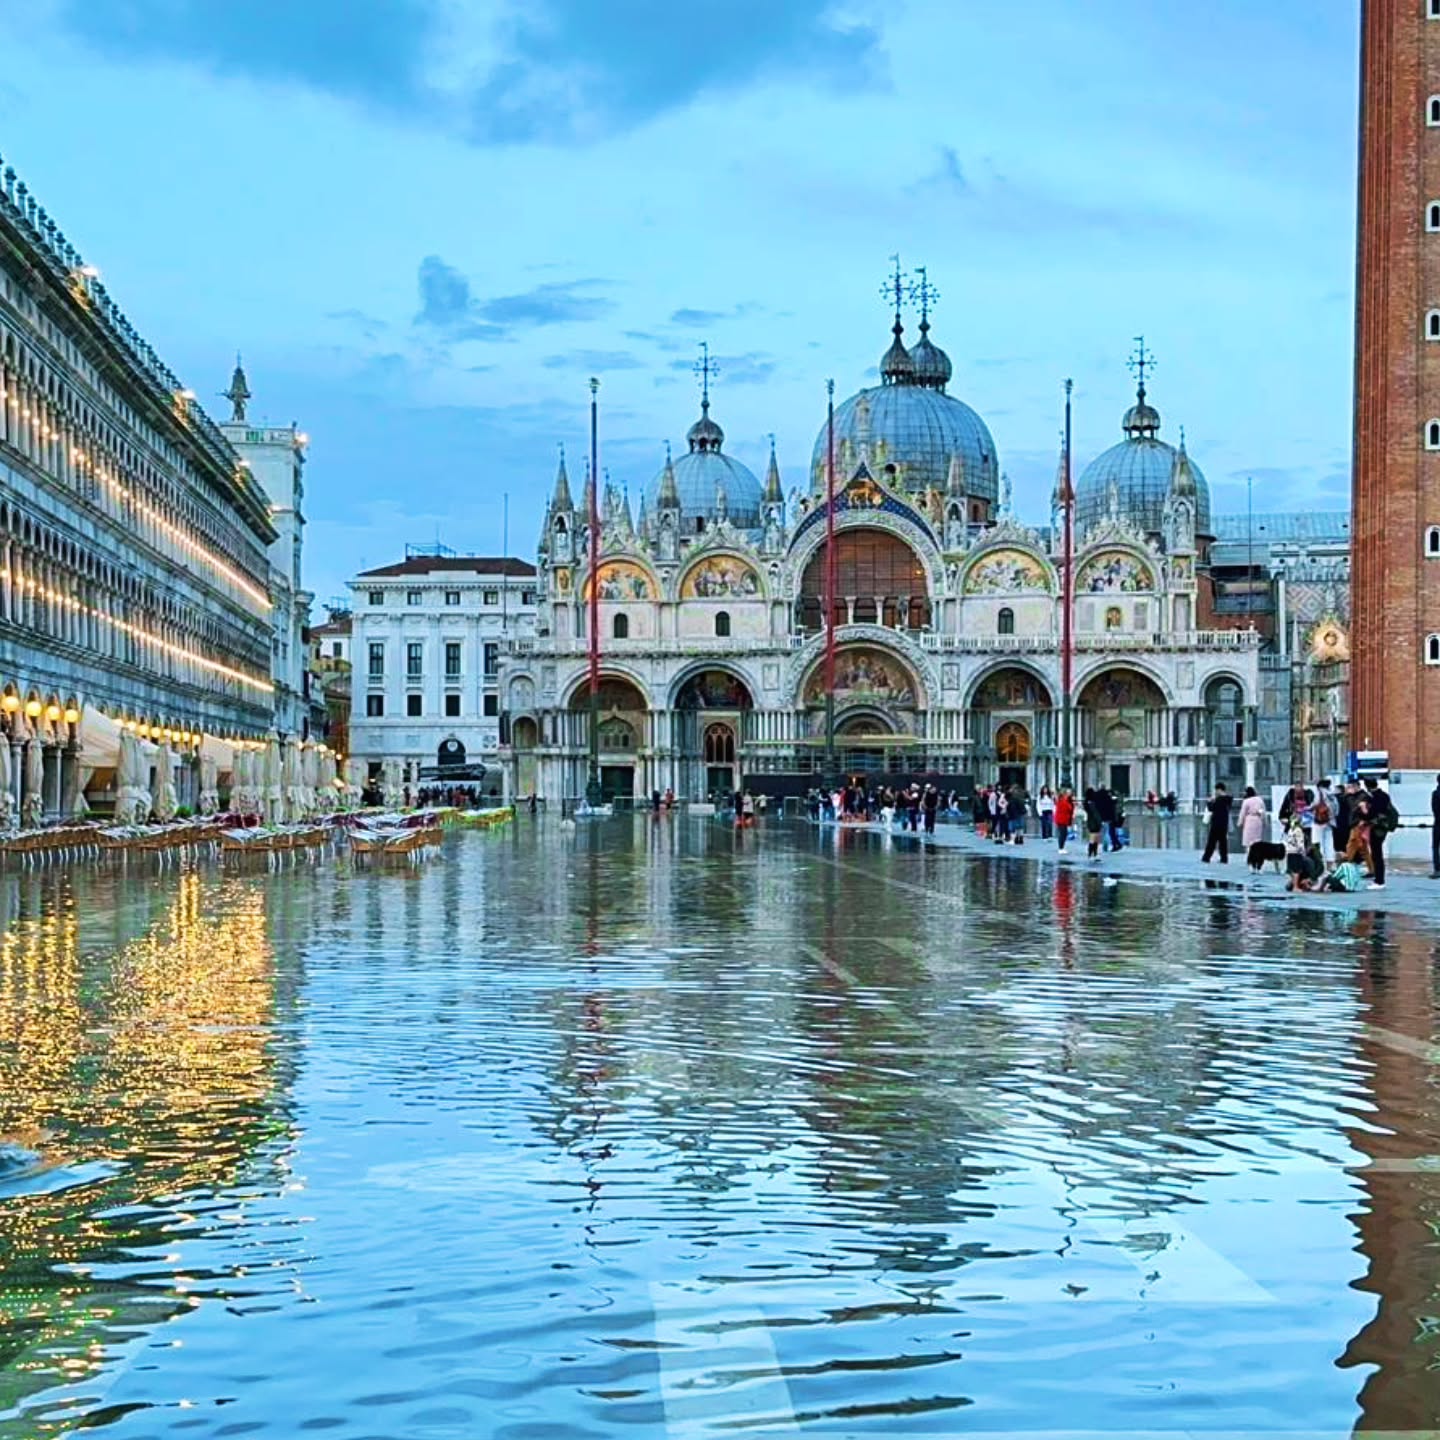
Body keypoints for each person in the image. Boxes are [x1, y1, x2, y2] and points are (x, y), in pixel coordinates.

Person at [1363, 778, 1397, 888]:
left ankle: (1379, 881)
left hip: (1377, 827)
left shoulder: (1374, 797)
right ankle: (1379, 879)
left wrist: (1363, 811)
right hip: (1383, 827)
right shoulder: (1384, 795)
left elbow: (1371, 814)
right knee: (1377, 853)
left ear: (1367, 786)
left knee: (1376, 854)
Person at [1202, 782, 1233, 863]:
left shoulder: (1219, 799)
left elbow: (1211, 809)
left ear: (1219, 790)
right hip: (1224, 823)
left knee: (1211, 841)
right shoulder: (1229, 799)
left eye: (1216, 790)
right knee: (1223, 842)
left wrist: (1209, 802)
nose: (1215, 792)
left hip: (1216, 823)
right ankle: (1224, 858)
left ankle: (1206, 857)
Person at [1238, 785, 1267, 854]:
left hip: (1249, 820)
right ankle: (1257, 854)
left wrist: (1240, 822)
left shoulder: (1246, 801)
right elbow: (1264, 812)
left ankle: (1249, 854)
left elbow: (1242, 813)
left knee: (1248, 840)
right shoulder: (1260, 800)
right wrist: (1265, 822)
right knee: (1257, 839)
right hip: (1258, 820)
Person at [1313, 780, 1335, 864]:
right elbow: (1337, 809)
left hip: (1319, 822)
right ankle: (1330, 864)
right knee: (1329, 843)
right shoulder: (1332, 795)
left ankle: (1320, 863)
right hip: (1330, 822)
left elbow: (1314, 805)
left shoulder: (1319, 793)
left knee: (1317, 842)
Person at [1083, 787, 1103, 860]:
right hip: (1094, 822)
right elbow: (1095, 813)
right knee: (1094, 838)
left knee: (1094, 838)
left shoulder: (1087, 802)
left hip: (1091, 821)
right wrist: (1099, 821)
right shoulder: (1092, 803)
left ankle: (1093, 854)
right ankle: (1092, 854)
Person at [1054, 786, 1075, 853]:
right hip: (1061, 819)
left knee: (1064, 833)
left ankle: (1062, 847)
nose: (1069, 794)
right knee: (1063, 833)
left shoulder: (1065, 800)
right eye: (1067, 793)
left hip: (1063, 819)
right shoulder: (1062, 800)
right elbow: (1068, 808)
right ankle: (1061, 848)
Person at [1431, 774, 1440, 878]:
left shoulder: (1435, 793)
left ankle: (1437, 870)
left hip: (1438, 824)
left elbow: (1434, 809)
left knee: (1435, 847)